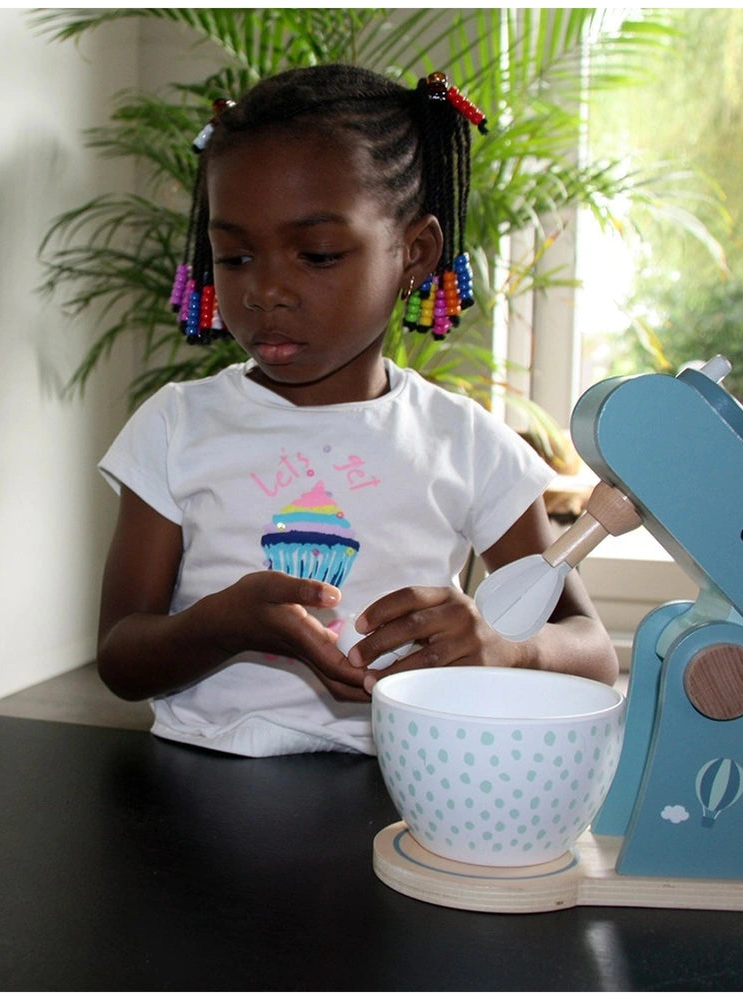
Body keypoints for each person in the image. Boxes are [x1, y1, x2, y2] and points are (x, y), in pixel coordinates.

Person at [96, 64, 619, 758]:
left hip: (407, 786)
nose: (265, 291)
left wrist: (503, 647)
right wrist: (223, 623)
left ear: (415, 253)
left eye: (317, 255)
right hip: (199, 781)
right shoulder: (174, 427)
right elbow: (120, 658)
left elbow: (593, 651)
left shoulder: (465, 442)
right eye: (236, 256)